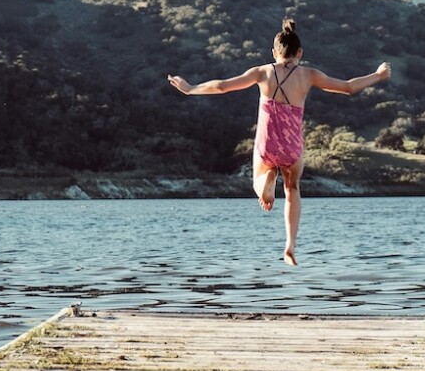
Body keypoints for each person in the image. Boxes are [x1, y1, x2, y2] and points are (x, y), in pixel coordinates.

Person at [167, 19, 391, 266]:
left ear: (274, 52)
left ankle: (266, 180)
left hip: (267, 144)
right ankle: (290, 245)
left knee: (258, 180)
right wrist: (378, 76)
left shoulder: (262, 72)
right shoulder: (309, 75)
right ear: (300, 53)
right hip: (292, 147)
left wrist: (190, 88)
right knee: (293, 189)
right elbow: (348, 87)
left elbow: (221, 87)